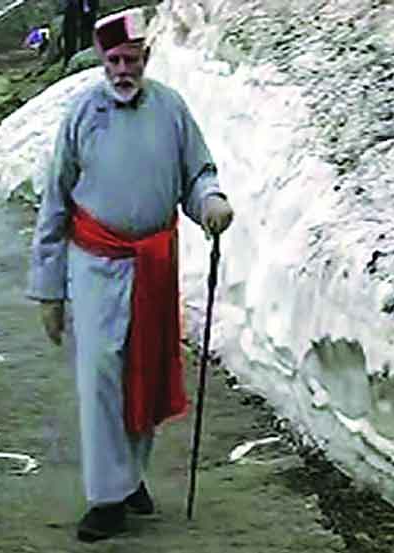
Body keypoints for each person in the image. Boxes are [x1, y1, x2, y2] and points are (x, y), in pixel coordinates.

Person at [26, 6, 235, 542]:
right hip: (95, 264)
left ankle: (129, 476)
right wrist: (49, 291)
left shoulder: (171, 108)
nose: (123, 70)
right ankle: (106, 498)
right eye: (114, 60)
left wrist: (210, 202)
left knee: (144, 370)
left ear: (146, 56)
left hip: (154, 263)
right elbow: (55, 200)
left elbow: (197, 173)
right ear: (103, 59)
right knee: (101, 372)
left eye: (132, 60)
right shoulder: (82, 113)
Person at [61, 0, 100, 67]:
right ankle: (70, 59)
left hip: (88, 11)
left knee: (87, 32)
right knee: (71, 34)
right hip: (73, 11)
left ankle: (86, 52)